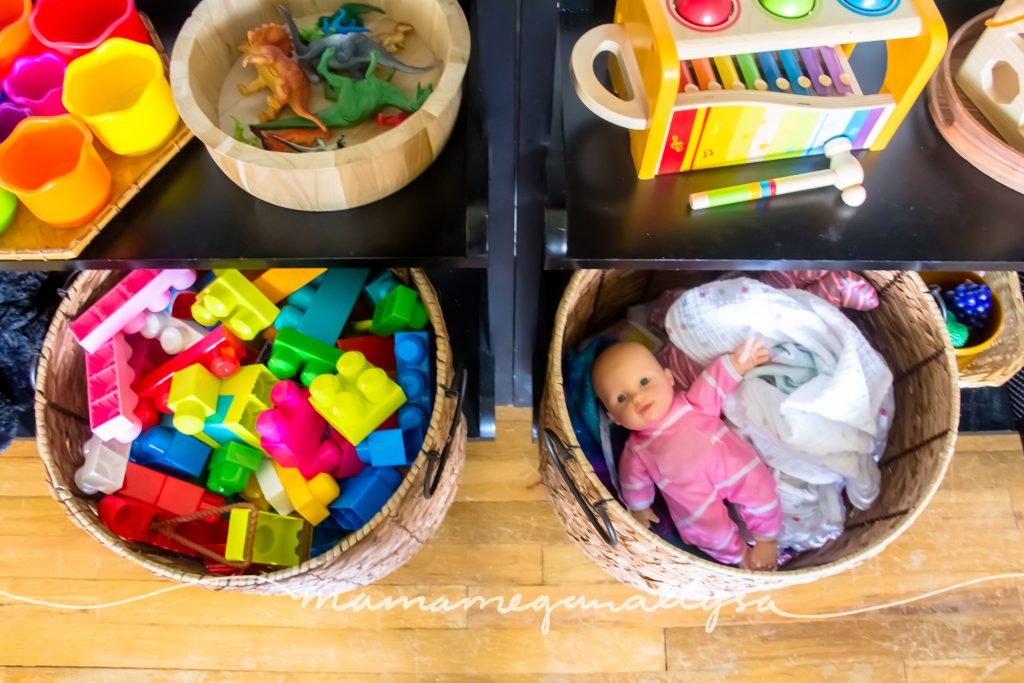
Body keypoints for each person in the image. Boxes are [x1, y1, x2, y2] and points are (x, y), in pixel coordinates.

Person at [591, 339, 782, 570]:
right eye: (621, 398)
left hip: (732, 466)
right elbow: (632, 480)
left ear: (668, 379)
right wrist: (639, 508)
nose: (637, 398)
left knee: (758, 487)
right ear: (615, 418)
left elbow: (714, 381)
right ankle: (738, 556)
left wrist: (737, 363)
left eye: (644, 382)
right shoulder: (637, 449)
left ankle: (766, 538)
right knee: (706, 530)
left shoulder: (693, 403)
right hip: (692, 499)